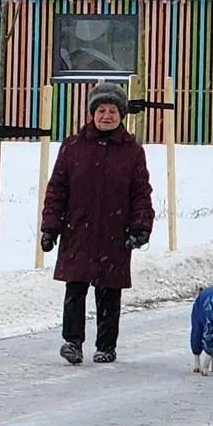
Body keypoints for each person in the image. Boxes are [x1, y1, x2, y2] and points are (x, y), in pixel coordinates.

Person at [41, 83, 154, 365]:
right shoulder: (73, 147)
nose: (106, 116)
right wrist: (50, 227)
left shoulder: (132, 152)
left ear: (122, 114)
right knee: (75, 288)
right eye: (101, 110)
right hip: (78, 230)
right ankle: (72, 342)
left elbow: (141, 193)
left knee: (108, 293)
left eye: (112, 110)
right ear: (92, 113)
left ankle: (106, 346)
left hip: (115, 235)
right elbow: (57, 189)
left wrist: (141, 227)